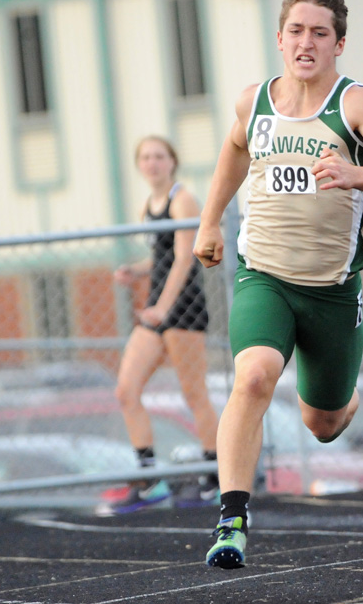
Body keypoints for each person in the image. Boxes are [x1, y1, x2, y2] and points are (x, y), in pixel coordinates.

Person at [193, 0, 363, 568]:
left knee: (322, 422)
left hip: (331, 291)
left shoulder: (355, 105)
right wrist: (210, 222)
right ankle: (232, 520)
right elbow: (234, 151)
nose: (306, 42)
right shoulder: (255, 101)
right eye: (296, 30)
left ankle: (340, 401)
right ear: (279, 37)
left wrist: (355, 175)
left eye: (320, 33)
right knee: (253, 378)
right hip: (262, 275)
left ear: (338, 44)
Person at [96, 135, 220, 516]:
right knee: (125, 391)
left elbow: (185, 259)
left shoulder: (182, 199)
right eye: (145, 157)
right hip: (156, 308)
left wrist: (163, 309)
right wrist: (136, 270)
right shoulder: (148, 205)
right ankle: (149, 479)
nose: (152, 163)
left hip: (182, 308)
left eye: (159, 156)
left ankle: (215, 477)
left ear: (172, 161)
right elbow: (162, 258)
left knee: (193, 393)